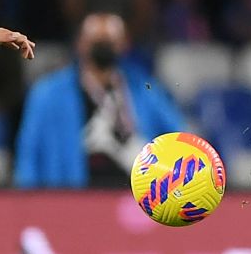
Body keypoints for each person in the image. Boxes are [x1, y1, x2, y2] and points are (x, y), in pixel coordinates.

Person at [14, 13, 185, 188]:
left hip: (133, 198)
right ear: (80, 43)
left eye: (109, 42)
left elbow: (180, 134)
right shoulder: (48, 93)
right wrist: (29, 203)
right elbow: (28, 155)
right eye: (96, 42)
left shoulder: (144, 88)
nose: (103, 48)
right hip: (70, 196)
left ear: (124, 44)